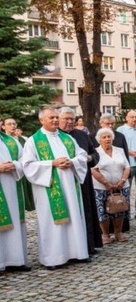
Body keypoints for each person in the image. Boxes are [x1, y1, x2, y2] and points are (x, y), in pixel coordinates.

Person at [22, 106, 89, 268]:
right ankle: (53, 258)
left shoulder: (67, 138)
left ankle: (77, 253)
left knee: (73, 217)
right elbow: (27, 165)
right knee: (52, 223)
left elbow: (81, 155)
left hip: (70, 188)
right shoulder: (33, 141)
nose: (54, 120)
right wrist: (52, 163)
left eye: (56, 117)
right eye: (51, 117)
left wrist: (71, 162)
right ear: (41, 120)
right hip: (48, 188)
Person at [59, 107, 102, 252]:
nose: (70, 122)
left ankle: (88, 245)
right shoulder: (55, 137)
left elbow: (95, 155)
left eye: (72, 119)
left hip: (83, 181)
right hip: (63, 182)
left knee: (86, 211)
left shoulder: (82, 135)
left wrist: (89, 158)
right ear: (59, 119)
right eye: (66, 119)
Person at [91, 128, 130, 243]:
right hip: (101, 187)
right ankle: (105, 234)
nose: (107, 139)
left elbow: (127, 166)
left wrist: (122, 180)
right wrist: (106, 183)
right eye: (104, 137)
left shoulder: (120, 150)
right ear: (99, 140)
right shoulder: (95, 152)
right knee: (102, 210)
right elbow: (93, 170)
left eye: (109, 137)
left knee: (119, 208)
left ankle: (118, 233)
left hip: (121, 186)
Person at [0, 119, 29, 271]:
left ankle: (15, 260)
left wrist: (15, 165)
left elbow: (25, 159)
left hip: (12, 186)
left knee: (15, 224)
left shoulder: (10, 141)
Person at [2, 118, 34, 211]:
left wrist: (15, 165)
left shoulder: (20, 140)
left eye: (14, 124)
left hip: (17, 173)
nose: (12, 126)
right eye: (9, 124)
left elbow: (24, 157)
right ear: (3, 126)